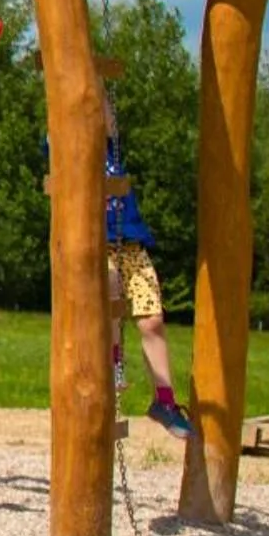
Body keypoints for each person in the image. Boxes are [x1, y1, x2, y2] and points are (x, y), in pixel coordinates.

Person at [103, 86, 193, 441]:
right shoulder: (65, 147)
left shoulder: (111, 149)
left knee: (153, 320)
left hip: (131, 243)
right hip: (97, 244)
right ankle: (113, 361)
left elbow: (108, 119)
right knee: (108, 288)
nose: (102, 115)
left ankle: (165, 401)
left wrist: (98, 82)